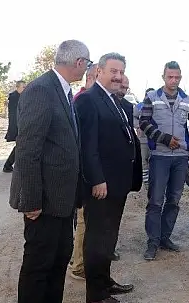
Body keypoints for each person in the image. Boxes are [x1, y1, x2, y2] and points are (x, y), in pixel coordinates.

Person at [8, 40, 91, 303]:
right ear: (79, 63)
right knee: (38, 267)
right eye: (87, 64)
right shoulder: (41, 90)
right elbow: (27, 150)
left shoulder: (62, 91)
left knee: (58, 262)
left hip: (62, 201)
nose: (87, 68)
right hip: (43, 203)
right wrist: (31, 201)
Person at [75, 53, 142, 303]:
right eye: (113, 71)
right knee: (96, 239)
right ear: (99, 72)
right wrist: (96, 180)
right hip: (101, 186)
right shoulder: (89, 100)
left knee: (108, 238)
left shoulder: (115, 101)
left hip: (118, 184)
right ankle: (95, 295)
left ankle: (105, 282)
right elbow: (87, 147)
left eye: (121, 72)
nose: (118, 76)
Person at [139, 61, 189, 261]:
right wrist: (164, 139)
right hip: (160, 157)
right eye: (170, 77)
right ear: (163, 77)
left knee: (174, 200)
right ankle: (152, 242)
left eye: (177, 77)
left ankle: (165, 238)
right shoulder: (152, 98)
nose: (174, 80)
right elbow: (144, 123)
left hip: (180, 158)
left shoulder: (187, 99)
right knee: (155, 201)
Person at [68, 62, 98, 281]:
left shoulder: (87, 99)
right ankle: (79, 265)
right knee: (84, 221)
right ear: (93, 77)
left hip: (89, 172)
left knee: (88, 221)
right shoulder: (83, 100)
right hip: (84, 174)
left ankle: (80, 260)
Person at [3, 80, 26, 173]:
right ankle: (8, 165)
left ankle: (10, 165)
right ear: (17, 87)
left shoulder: (19, 96)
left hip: (19, 125)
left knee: (20, 146)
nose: (25, 89)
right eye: (23, 87)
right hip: (17, 125)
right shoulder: (14, 97)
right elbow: (15, 114)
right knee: (20, 146)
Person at [134, 87, 155, 186]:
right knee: (144, 160)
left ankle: (154, 180)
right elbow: (133, 117)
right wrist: (138, 125)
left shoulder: (157, 105)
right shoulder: (139, 106)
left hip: (156, 139)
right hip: (143, 139)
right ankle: (146, 182)